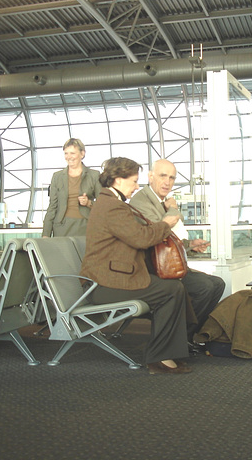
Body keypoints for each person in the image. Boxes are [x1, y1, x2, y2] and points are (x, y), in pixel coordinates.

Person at [80, 157, 191, 374]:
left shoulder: (111, 203)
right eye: (133, 181)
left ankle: (169, 352)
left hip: (109, 278)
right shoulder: (112, 206)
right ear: (118, 180)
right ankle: (160, 358)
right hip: (102, 286)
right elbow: (140, 238)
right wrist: (166, 223)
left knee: (173, 288)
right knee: (171, 291)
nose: (136, 186)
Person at [129, 159, 225, 345]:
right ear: (150, 177)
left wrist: (190, 244)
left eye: (172, 178)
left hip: (167, 264)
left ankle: (186, 335)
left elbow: (169, 238)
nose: (168, 182)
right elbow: (160, 232)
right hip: (153, 269)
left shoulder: (160, 201)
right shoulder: (141, 201)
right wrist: (173, 208)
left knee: (217, 284)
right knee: (205, 287)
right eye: (162, 176)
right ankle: (176, 339)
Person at [42, 138, 101, 237]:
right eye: (66, 153)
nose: (69, 157)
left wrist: (88, 203)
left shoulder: (94, 175)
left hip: (86, 226)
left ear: (82, 154)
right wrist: (46, 234)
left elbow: (103, 205)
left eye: (72, 153)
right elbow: (52, 207)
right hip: (61, 227)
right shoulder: (57, 177)